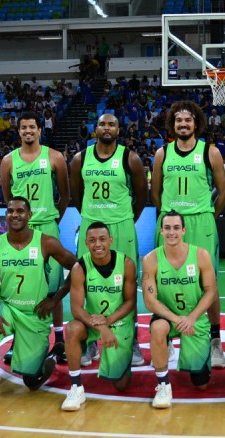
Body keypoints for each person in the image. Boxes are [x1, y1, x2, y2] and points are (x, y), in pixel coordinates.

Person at [0, 197, 78, 402]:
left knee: (32, 382)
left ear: (29, 215)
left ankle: (49, 356)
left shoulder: (46, 242)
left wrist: (55, 298)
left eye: (20, 211)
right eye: (10, 211)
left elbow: (78, 268)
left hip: (35, 314)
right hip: (7, 309)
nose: (14, 214)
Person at [151, 101, 225, 369]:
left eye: (188, 120)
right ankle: (168, 338)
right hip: (171, 224)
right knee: (165, 281)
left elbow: (224, 191)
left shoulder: (211, 152)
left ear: (197, 123)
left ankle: (216, 341)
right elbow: (156, 193)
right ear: (172, 125)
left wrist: (207, 215)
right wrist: (168, 219)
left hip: (201, 223)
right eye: (178, 121)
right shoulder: (163, 153)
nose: (183, 124)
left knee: (210, 283)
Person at [70, 113, 148, 367]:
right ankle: (90, 341)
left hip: (121, 227)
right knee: (87, 284)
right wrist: (93, 217)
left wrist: (125, 220)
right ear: (95, 129)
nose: (107, 128)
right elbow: (76, 195)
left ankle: (132, 341)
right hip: (91, 227)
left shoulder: (130, 158)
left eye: (112, 124)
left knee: (127, 285)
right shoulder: (80, 159)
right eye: (102, 124)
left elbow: (142, 196)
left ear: (119, 129)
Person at [0, 111, 70, 364]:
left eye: (32, 127)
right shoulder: (8, 161)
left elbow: (65, 195)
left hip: (48, 226)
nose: (28, 131)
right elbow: (10, 199)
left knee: (53, 286)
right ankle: (19, 340)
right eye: (23, 127)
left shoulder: (54, 157)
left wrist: (51, 220)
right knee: (23, 289)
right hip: (21, 231)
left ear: (40, 130)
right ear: (18, 131)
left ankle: (59, 340)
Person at [142, 211, 218, 408]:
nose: (172, 232)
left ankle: (196, 349)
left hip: (194, 318)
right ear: (161, 230)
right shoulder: (151, 259)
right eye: (167, 228)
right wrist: (178, 320)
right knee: (158, 328)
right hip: (168, 316)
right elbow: (150, 301)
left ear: (184, 230)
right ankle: (163, 385)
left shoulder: (200, 255)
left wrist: (191, 318)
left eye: (176, 228)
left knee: (201, 383)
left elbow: (211, 292)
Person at [61, 222, 137, 411]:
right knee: (72, 328)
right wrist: (102, 328)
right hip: (93, 322)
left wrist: (109, 322)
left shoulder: (126, 264)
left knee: (121, 384)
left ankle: (123, 355)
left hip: (118, 322)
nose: (98, 245)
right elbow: (77, 308)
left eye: (102, 239)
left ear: (111, 240)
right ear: (86, 242)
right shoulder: (80, 267)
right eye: (92, 240)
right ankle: (76, 387)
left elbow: (130, 302)